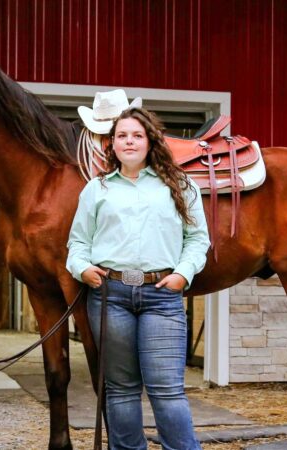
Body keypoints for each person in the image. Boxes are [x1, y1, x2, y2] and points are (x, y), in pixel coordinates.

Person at [66, 107, 210, 450]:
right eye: (122, 136)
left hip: (162, 296)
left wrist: (182, 274)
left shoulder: (179, 184)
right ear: (112, 145)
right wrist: (82, 268)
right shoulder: (96, 189)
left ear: (150, 142)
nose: (129, 141)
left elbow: (198, 239)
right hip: (110, 296)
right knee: (120, 388)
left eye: (136, 135)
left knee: (166, 389)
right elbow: (78, 242)